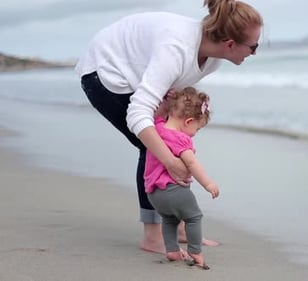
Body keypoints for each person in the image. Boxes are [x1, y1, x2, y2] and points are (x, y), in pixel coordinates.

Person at [76, 0, 262, 254]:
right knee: (154, 146)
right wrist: (170, 161)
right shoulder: (176, 48)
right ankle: (153, 236)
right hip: (105, 71)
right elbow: (138, 114)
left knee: (169, 140)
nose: (254, 53)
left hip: (135, 69)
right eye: (254, 47)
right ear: (230, 44)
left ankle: (180, 228)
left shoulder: (213, 58)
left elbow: (168, 87)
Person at [145, 87, 219, 269]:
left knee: (170, 219)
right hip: (173, 190)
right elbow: (192, 164)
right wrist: (208, 184)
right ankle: (195, 251)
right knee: (194, 217)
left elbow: (159, 113)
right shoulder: (180, 139)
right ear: (188, 121)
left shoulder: (157, 126)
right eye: (197, 129)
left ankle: (172, 250)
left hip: (154, 194)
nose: (195, 133)